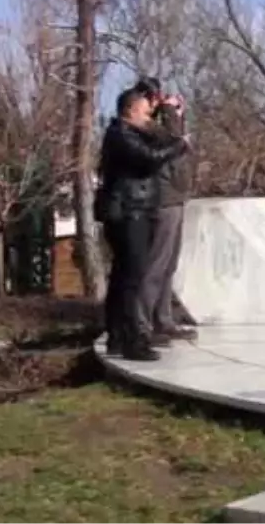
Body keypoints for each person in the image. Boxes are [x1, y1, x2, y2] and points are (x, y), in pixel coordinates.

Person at [96, 88, 191, 361]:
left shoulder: (126, 134)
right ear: (130, 110)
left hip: (133, 210)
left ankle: (118, 336)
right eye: (144, 110)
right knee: (132, 279)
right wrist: (180, 142)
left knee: (124, 278)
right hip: (129, 212)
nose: (148, 116)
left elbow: (154, 144)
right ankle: (132, 339)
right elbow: (151, 157)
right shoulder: (121, 136)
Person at [133, 78, 198, 346]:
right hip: (162, 199)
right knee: (156, 264)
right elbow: (171, 144)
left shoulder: (158, 123)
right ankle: (142, 325)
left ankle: (163, 320)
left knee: (168, 265)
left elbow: (180, 146)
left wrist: (177, 115)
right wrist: (171, 113)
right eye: (155, 97)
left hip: (176, 196)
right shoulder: (144, 125)